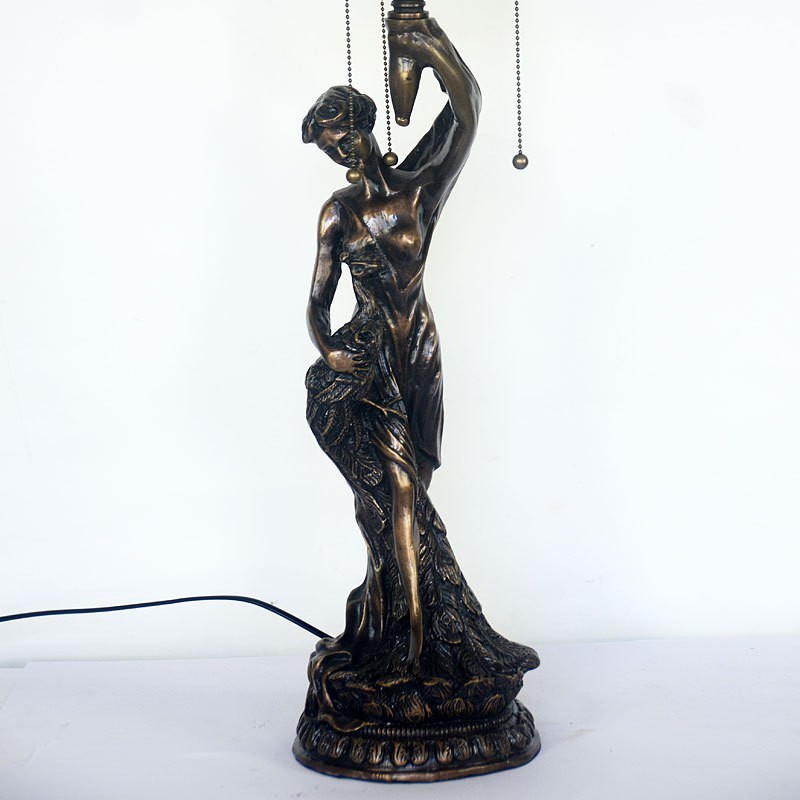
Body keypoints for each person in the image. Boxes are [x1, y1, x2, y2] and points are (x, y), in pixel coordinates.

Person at [302, 18, 481, 665]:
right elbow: (317, 304)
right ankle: (412, 637)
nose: (343, 153)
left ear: (366, 125)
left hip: (420, 352)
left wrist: (425, 42)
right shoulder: (339, 212)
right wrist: (330, 352)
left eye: (346, 137)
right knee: (393, 490)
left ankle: (391, 614)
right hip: (370, 355)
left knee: (416, 486)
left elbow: (467, 111)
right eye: (331, 149)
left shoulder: (419, 188)